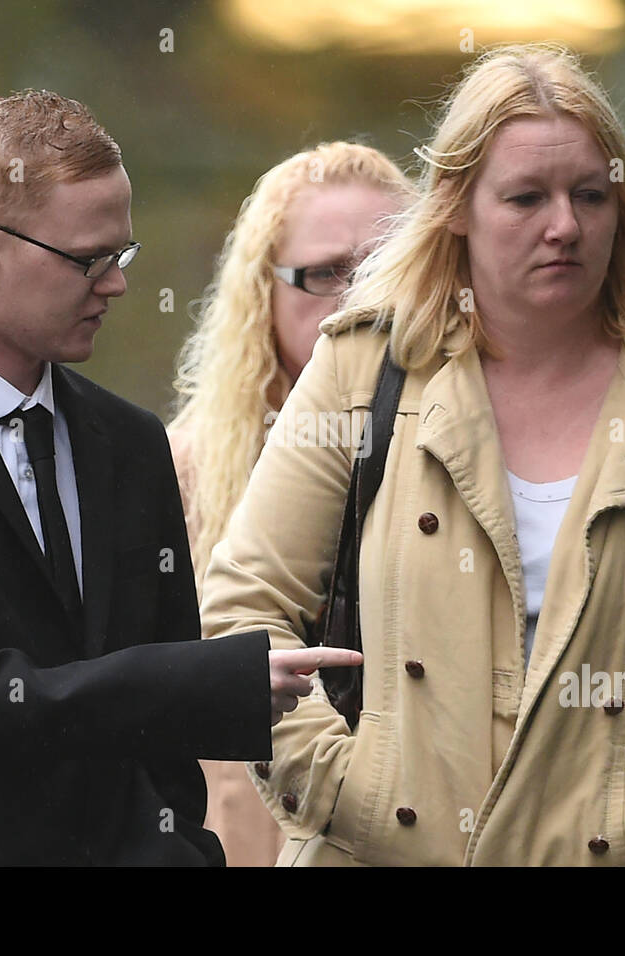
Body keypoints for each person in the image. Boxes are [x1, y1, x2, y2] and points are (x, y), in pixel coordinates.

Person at [198, 44, 625, 866]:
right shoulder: (363, 364)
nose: (564, 225)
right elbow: (243, 610)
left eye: (590, 195)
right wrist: (349, 793)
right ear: (456, 204)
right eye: (526, 197)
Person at [0, 90, 356, 866]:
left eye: (122, 256)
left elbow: (163, 751)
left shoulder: (129, 441)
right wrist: (209, 679)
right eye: (89, 259)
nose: (115, 284)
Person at [166, 142, 411, 865]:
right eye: (325, 274)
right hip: (237, 834)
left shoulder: (479, 446)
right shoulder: (180, 470)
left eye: (385, 267)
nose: (360, 295)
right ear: (261, 292)